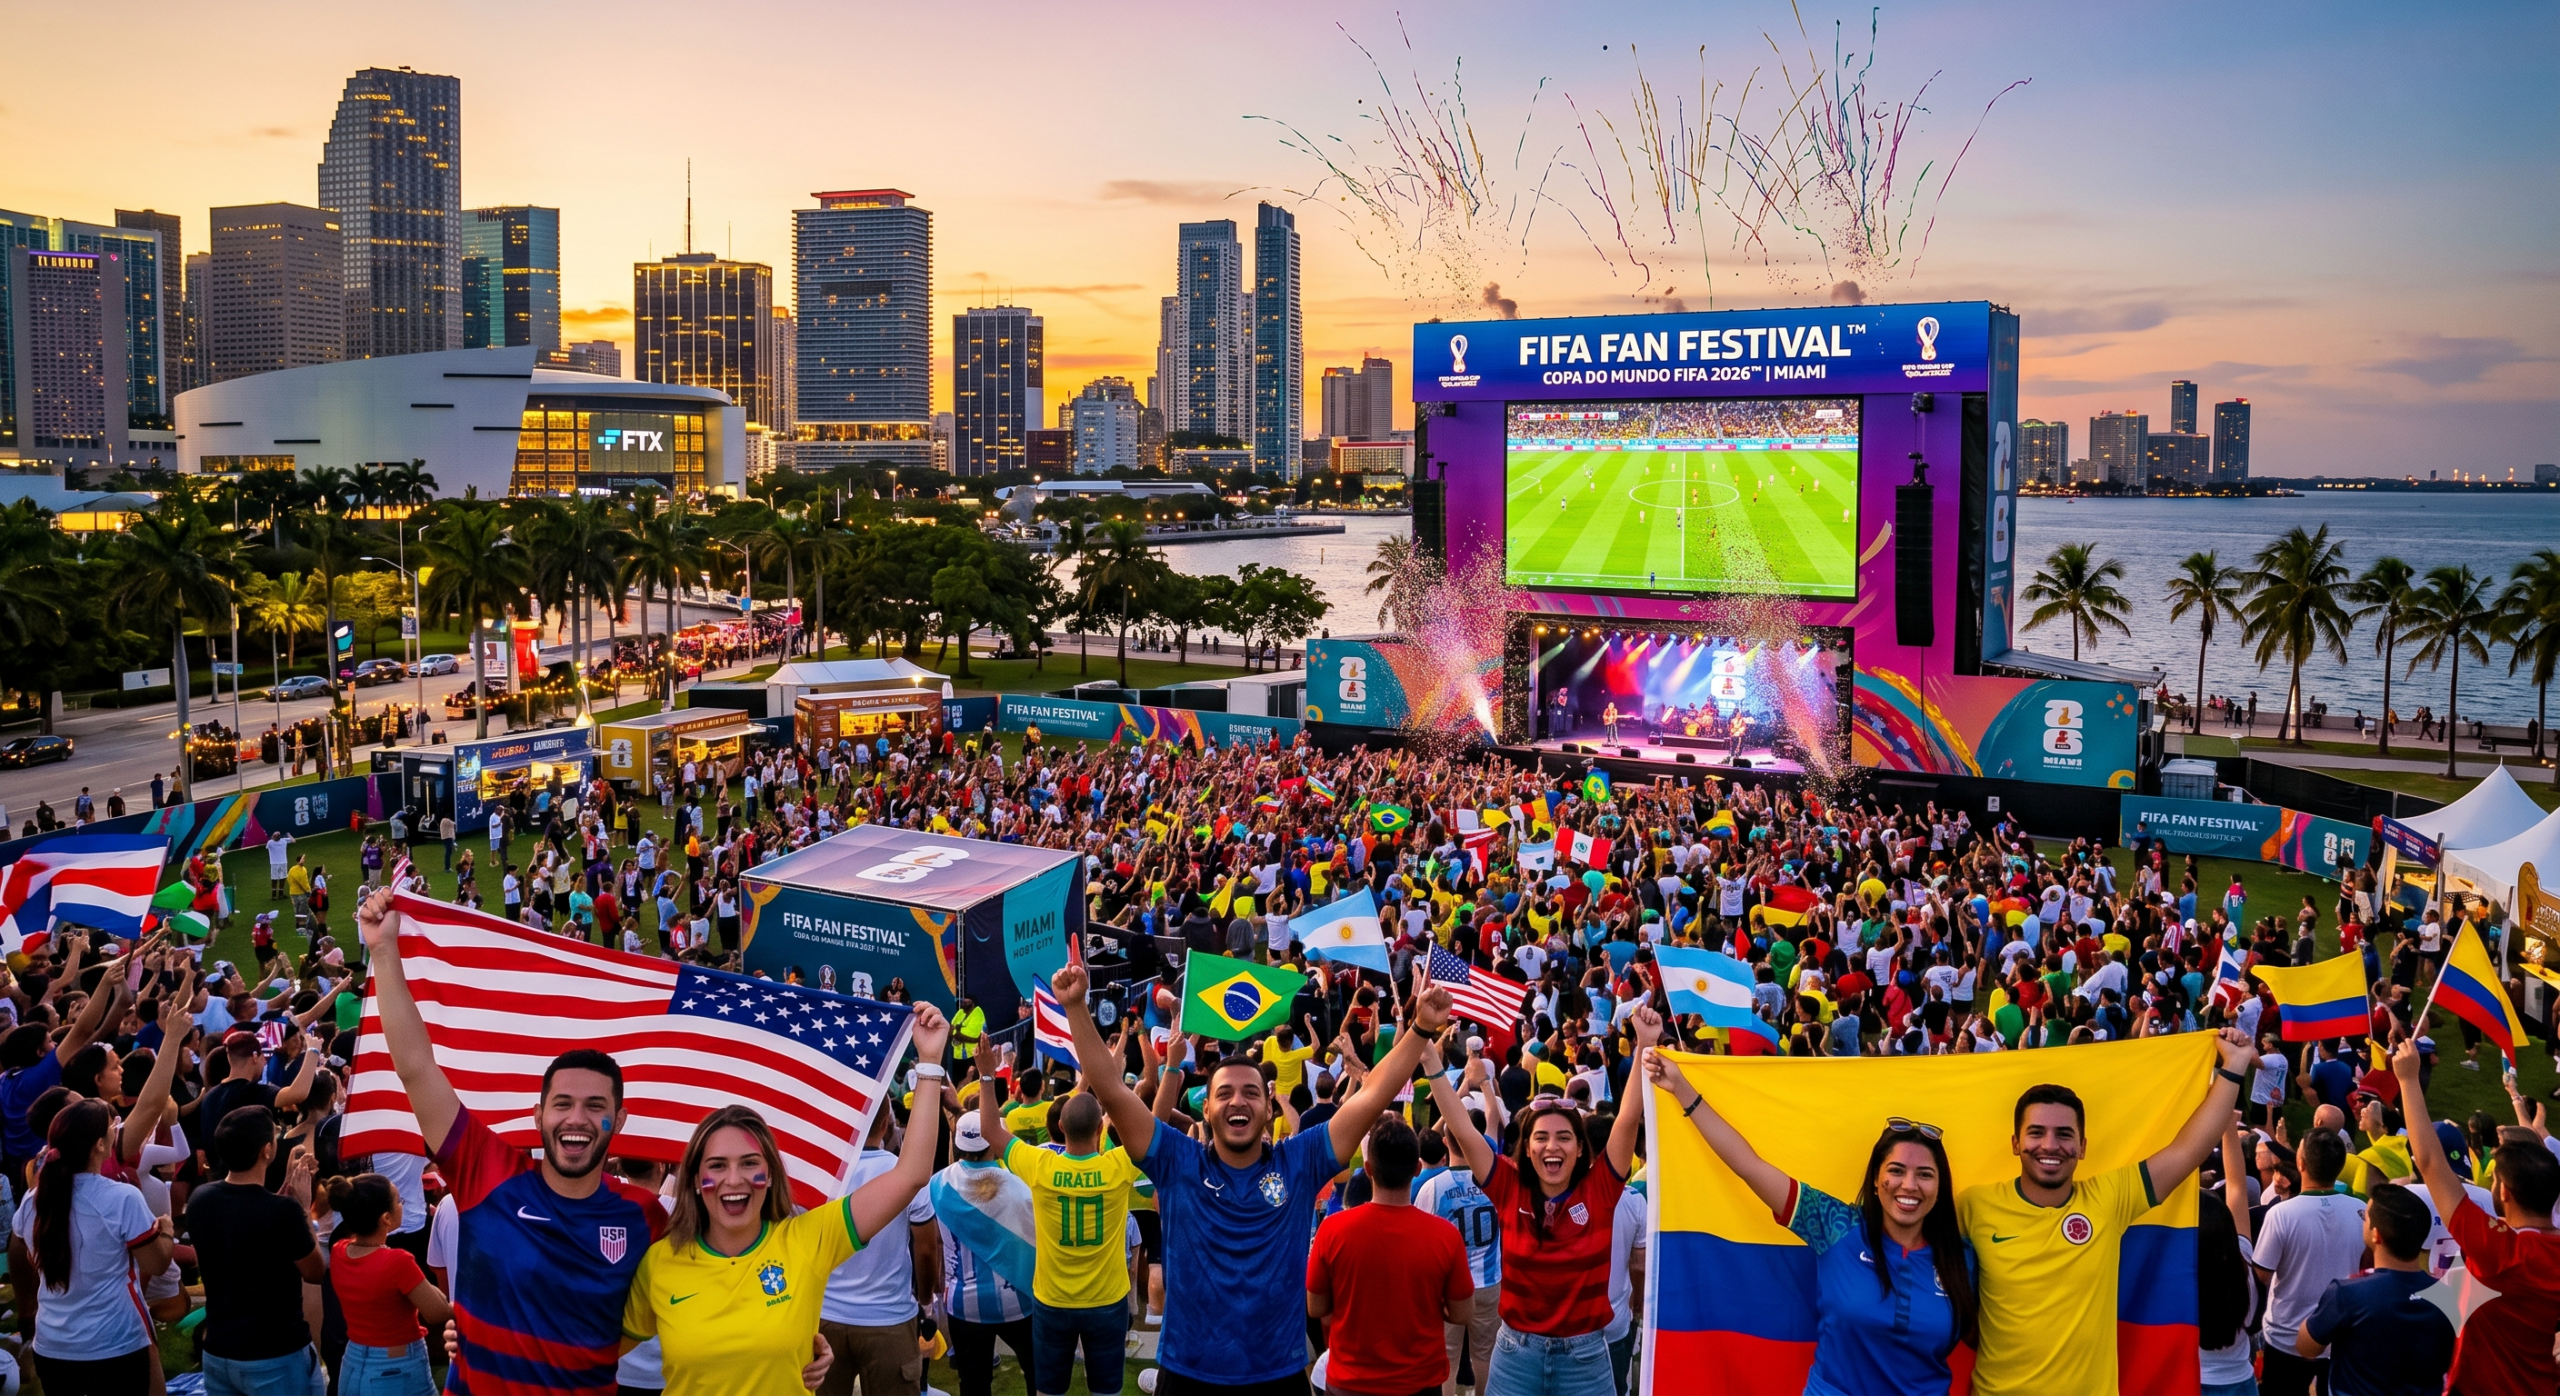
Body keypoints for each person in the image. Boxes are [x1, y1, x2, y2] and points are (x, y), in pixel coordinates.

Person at [357, 886, 831, 1396]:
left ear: (619, 1121)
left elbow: (727, 1275)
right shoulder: (485, 1170)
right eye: (562, 1105)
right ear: (538, 1114)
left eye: (595, 1107)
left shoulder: (646, 1217)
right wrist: (383, 951)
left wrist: (799, 1334)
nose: (576, 1120)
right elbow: (416, 1069)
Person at [1054, 960, 1454, 1396]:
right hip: (1187, 1373)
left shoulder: (1298, 1162)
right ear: (1205, 1110)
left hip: (1277, 1376)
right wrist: (1076, 1007)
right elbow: (1111, 1090)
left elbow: (1374, 1096)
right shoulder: (1176, 1159)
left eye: (1250, 1093)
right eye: (1222, 1093)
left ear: (1268, 1110)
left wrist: (1420, 1030)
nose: (1236, 1101)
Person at [624, 1036, 951, 1396]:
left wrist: (930, 1060)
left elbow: (912, 1174)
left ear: (772, 1175)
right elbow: (593, 1355)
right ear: (696, 1180)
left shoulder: (808, 1239)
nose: (734, 1180)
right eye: (716, 1165)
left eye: (750, 1163)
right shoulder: (660, 1261)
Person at [1646, 1054, 1977, 1396]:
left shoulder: (1961, 1259)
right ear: (1876, 1181)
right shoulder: (1835, 1226)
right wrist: (1682, 1089)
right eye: (1895, 1171)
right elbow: (1749, 1166)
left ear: (1940, 1188)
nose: (1909, 1185)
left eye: (1925, 1175)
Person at [1957, 1029, 2259, 1396]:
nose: (2050, 1145)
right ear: (2015, 1143)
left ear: (2082, 1147)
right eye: (2036, 1133)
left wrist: (2233, 1067)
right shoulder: (1973, 1205)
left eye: (2064, 1134)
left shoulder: (2108, 1197)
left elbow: (2187, 1152)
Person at [1421, 1006, 1662, 1396]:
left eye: (1565, 1137)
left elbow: (1628, 1116)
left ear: (1582, 1150)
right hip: (1515, 1357)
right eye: (1541, 1137)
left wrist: (1645, 1045)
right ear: (1527, 1150)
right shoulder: (1508, 1186)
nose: (1553, 1145)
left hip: (1586, 1361)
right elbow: (1463, 1131)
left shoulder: (1600, 1190)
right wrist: (1431, 1058)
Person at [2388, 1040, 2560, 1394]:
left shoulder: (2502, 1250)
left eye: (2495, 1177)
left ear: (2506, 1194)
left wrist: (2407, 1079)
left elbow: (2431, 1164)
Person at [980, 1051, 1140, 1396]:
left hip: (1053, 1301)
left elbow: (990, 1130)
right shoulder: (1119, 1166)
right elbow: (1153, 1125)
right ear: (1101, 1127)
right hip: (1107, 1300)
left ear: (1061, 1127)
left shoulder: (1040, 1165)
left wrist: (986, 1075)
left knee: (1049, 1391)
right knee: (1107, 1390)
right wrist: (1169, 1067)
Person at [1306, 1115, 1475, 1396]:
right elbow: (1462, 1313)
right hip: (1420, 1382)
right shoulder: (1445, 1236)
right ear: (1417, 1168)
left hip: (1350, 1381)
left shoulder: (1332, 1230)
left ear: (1368, 1169)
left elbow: (1316, 1307)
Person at [20, 1098, 177, 1395]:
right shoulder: (121, 1198)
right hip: (113, 1344)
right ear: (99, 1145)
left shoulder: (32, 1201)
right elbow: (156, 1264)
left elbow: (33, 1257)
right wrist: (166, 1232)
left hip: (53, 1345)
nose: (117, 1131)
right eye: (113, 1127)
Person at [2293, 1184, 2454, 1394]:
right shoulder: (2448, 1296)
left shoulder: (2346, 1294)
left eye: (2365, 1219)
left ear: (2376, 1235)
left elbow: (2307, 1348)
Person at [931, 1114, 1036, 1396]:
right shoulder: (1020, 1185)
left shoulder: (938, 1184)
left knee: (974, 1385)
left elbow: (933, 1244)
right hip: (1020, 1299)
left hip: (963, 1303)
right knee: (1038, 1377)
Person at [2252, 1127, 2362, 1396]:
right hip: (2339, 1339)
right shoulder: (2362, 1213)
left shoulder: (2280, 1214)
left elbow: (2262, 1275)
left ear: (2299, 1164)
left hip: (2284, 1339)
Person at [329, 1173, 451, 1396]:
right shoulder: (397, 1262)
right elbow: (438, 1312)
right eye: (398, 1201)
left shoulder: (339, 1251)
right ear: (386, 1218)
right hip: (396, 1368)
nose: (401, 1205)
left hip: (353, 1361)